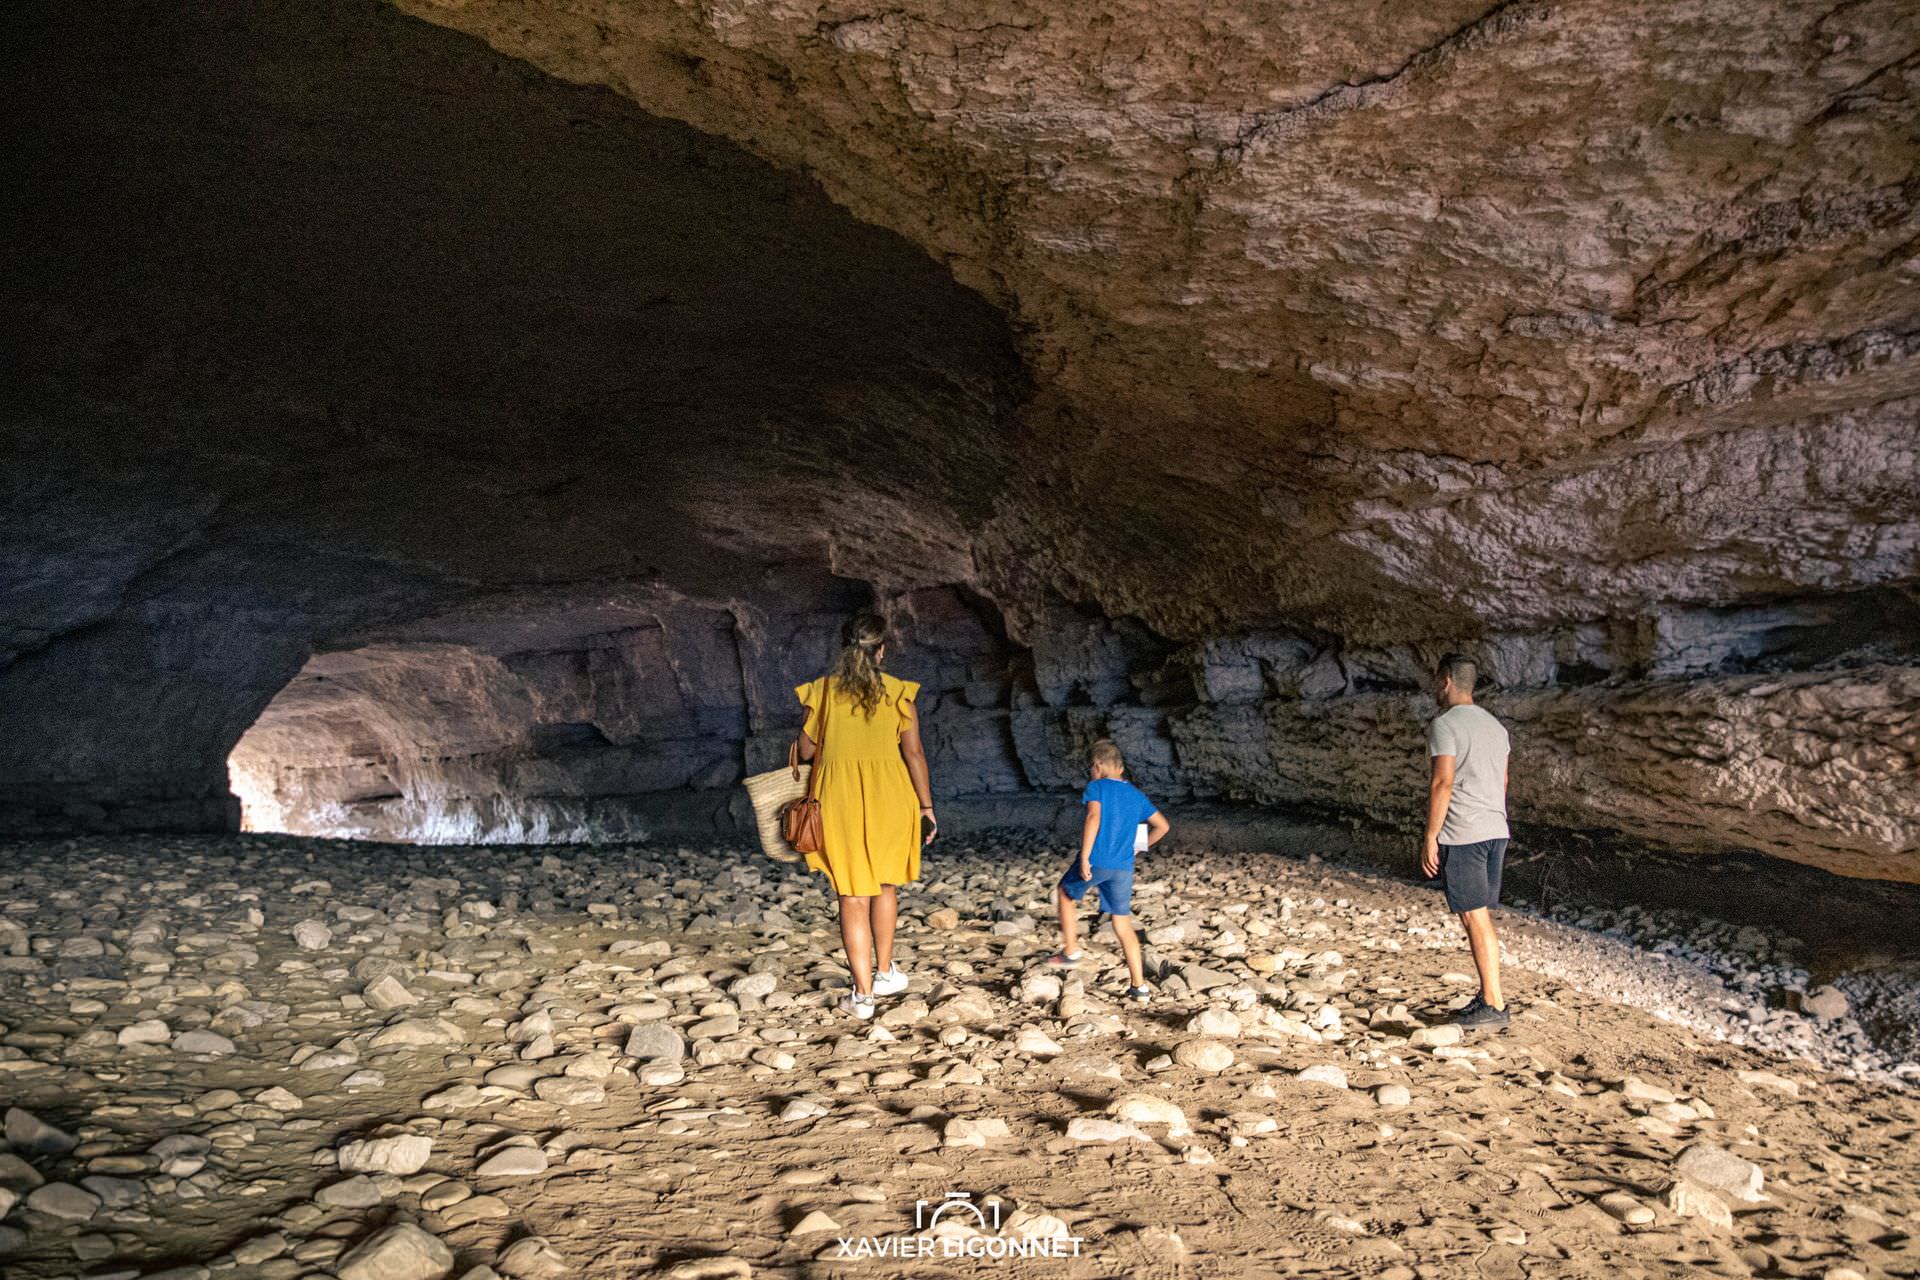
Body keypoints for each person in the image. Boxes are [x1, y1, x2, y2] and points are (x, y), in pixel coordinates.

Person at [796, 612, 936, 1020]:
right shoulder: (898, 693)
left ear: (844, 650)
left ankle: (861, 996)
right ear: (881, 651)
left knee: (851, 894)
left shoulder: (821, 693)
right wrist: (926, 807)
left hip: (836, 798)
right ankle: (886, 971)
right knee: (885, 885)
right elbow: (914, 754)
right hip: (890, 796)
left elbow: (804, 752)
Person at [1420, 652, 1512, 1029]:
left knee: (1474, 917)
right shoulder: (1496, 727)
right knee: (1479, 916)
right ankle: (1489, 997)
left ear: (1445, 681)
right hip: (1496, 830)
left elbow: (1443, 782)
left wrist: (1430, 836)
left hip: (1464, 833)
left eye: (1435, 682)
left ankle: (1494, 1003)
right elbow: (1503, 783)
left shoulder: (1445, 724)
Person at [1048, 739, 1168, 1002]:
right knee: (1122, 922)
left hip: (1098, 859)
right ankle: (1139, 987)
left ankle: (1070, 951)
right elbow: (1162, 826)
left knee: (1065, 893)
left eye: (1092, 768)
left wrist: (1085, 857)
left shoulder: (1097, 787)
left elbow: (1093, 818)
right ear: (1121, 769)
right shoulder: (1136, 795)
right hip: (1123, 866)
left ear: (1098, 765)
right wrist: (1137, 847)